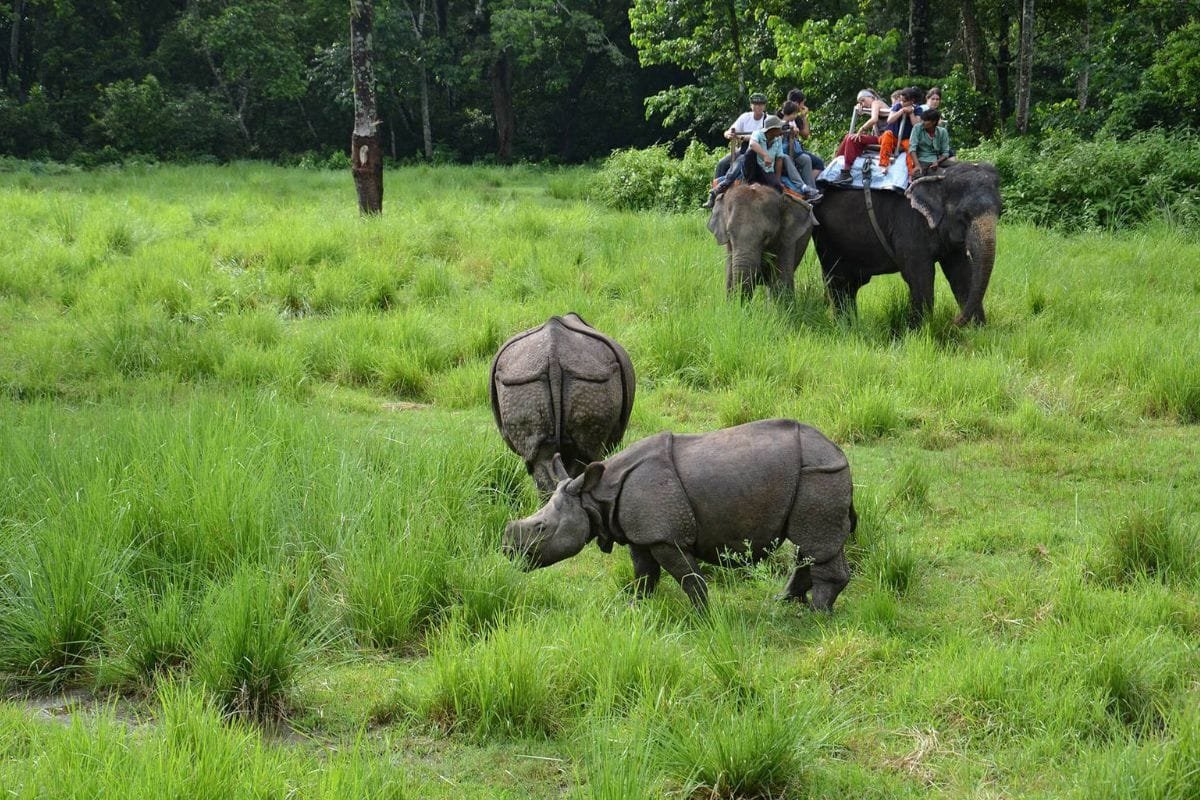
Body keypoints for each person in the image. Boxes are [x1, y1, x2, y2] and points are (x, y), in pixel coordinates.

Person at [830, 86, 922, 185]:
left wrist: (861, 129)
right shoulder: (894, 106)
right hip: (884, 137)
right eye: (859, 102)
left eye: (863, 100)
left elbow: (874, 119)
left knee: (851, 138)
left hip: (895, 138)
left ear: (871, 97)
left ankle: (911, 174)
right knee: (849, 137)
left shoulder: (876, 103)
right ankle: (841, 165)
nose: (861, 104)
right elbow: (886, 120)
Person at [703, 92, 769, 208]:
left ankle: (723, 186)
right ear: (751, 105)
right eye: (755, 104)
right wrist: (730, 134)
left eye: (761, 104)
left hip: (758, 150)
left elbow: (761, 138)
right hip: (743, 148)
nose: (758, 106)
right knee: (722, 163)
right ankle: (716, 196)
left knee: (742, 160)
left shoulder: (767, 120)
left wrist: (742, 137)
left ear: (764, 106)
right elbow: (729, 131)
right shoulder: (745, 117)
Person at [909, 108, 951, 176]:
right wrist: (917, 165)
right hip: (922, 160)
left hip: (938, 160)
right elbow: (912, 148)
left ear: (934, 122)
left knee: (959, 169)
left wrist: (937, 162)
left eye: (925, 120)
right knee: (917, 175)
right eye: (922, 120)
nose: (922, 122)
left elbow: (946, 152)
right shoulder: (917, 128)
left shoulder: (943, 132)